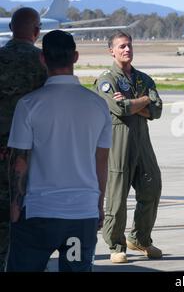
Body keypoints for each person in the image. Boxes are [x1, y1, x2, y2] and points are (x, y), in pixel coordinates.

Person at [6, 30, 111, 272]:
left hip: (39, 216)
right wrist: (98, 204)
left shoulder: (29, 104)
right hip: (80, 218)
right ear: (75, 56)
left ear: (43, 59)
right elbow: (101, 161)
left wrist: (14, 206)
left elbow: (19, 162)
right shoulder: (97, 105)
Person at [95, 30, 163, 263]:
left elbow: (157, 110)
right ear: (111, 51)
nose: (127, 50)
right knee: (117, 196)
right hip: (118, 141)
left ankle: (141, 238)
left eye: (129, 46)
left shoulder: (144, 79)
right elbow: (119, 109)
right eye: (122, 46)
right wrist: (144, 101)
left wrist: (135, 102)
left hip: (142, 140)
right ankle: (116, 244)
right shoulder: (107, 80)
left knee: (152, 187)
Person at [0, 7, 47, 270]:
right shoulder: (41, 61)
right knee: (30, 222)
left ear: (10, 29)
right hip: (31, 159)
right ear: (36, 31)